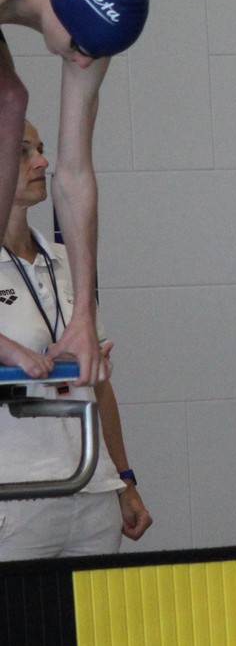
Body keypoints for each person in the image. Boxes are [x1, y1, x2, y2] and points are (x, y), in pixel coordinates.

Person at [0, 0, 150, 386]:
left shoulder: (90, 23)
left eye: (95, 53)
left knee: (9, 102)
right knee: (7, 99)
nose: (83, 63)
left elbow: (74, 173)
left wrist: (83, 313)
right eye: (80, 48)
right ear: (59, 9)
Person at [0, 119, 151, 559]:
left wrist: (123, 478)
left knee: (92, 608)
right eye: (24, 152)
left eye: (40, 149)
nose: (42, 162)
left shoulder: (68, 262)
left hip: (91, 485)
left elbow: (99, 388)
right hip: (16, 494)